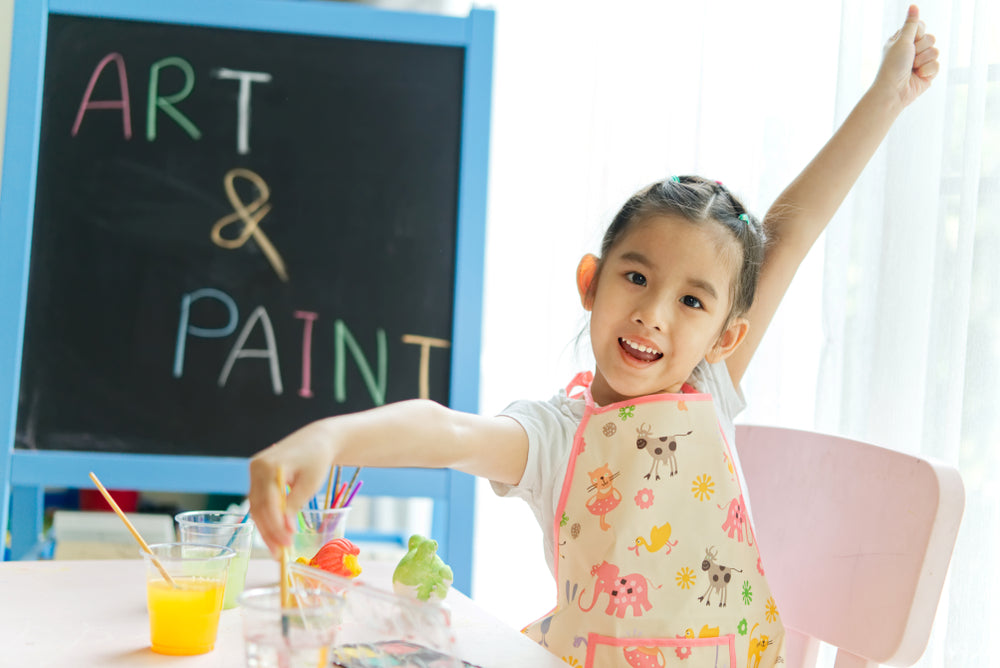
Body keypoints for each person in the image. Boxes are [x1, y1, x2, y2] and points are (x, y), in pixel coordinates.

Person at [248, 6, 939, 667]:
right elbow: (448, 434)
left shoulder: (710, 389)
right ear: (591, 281)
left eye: (691, 300)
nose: (654, 315)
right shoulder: (552, 439)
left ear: (726, 338)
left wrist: (888, 92)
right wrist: (330, 438)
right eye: (636, 279)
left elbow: (788, 236)